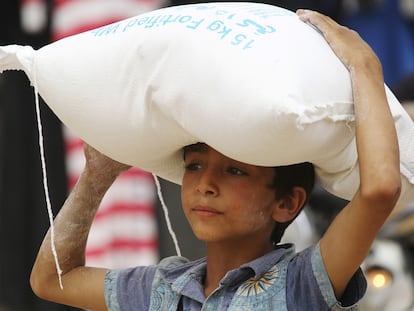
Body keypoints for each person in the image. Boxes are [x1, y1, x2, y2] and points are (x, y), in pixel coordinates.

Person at [29, 8, 401, 311]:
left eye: (235, 170)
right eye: (194, 166)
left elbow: (380, 190)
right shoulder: (162, 290)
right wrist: (96, 177)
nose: (205, 185)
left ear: (287, 203)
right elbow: (51, 280)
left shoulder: (303, 282)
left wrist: (364, 64)